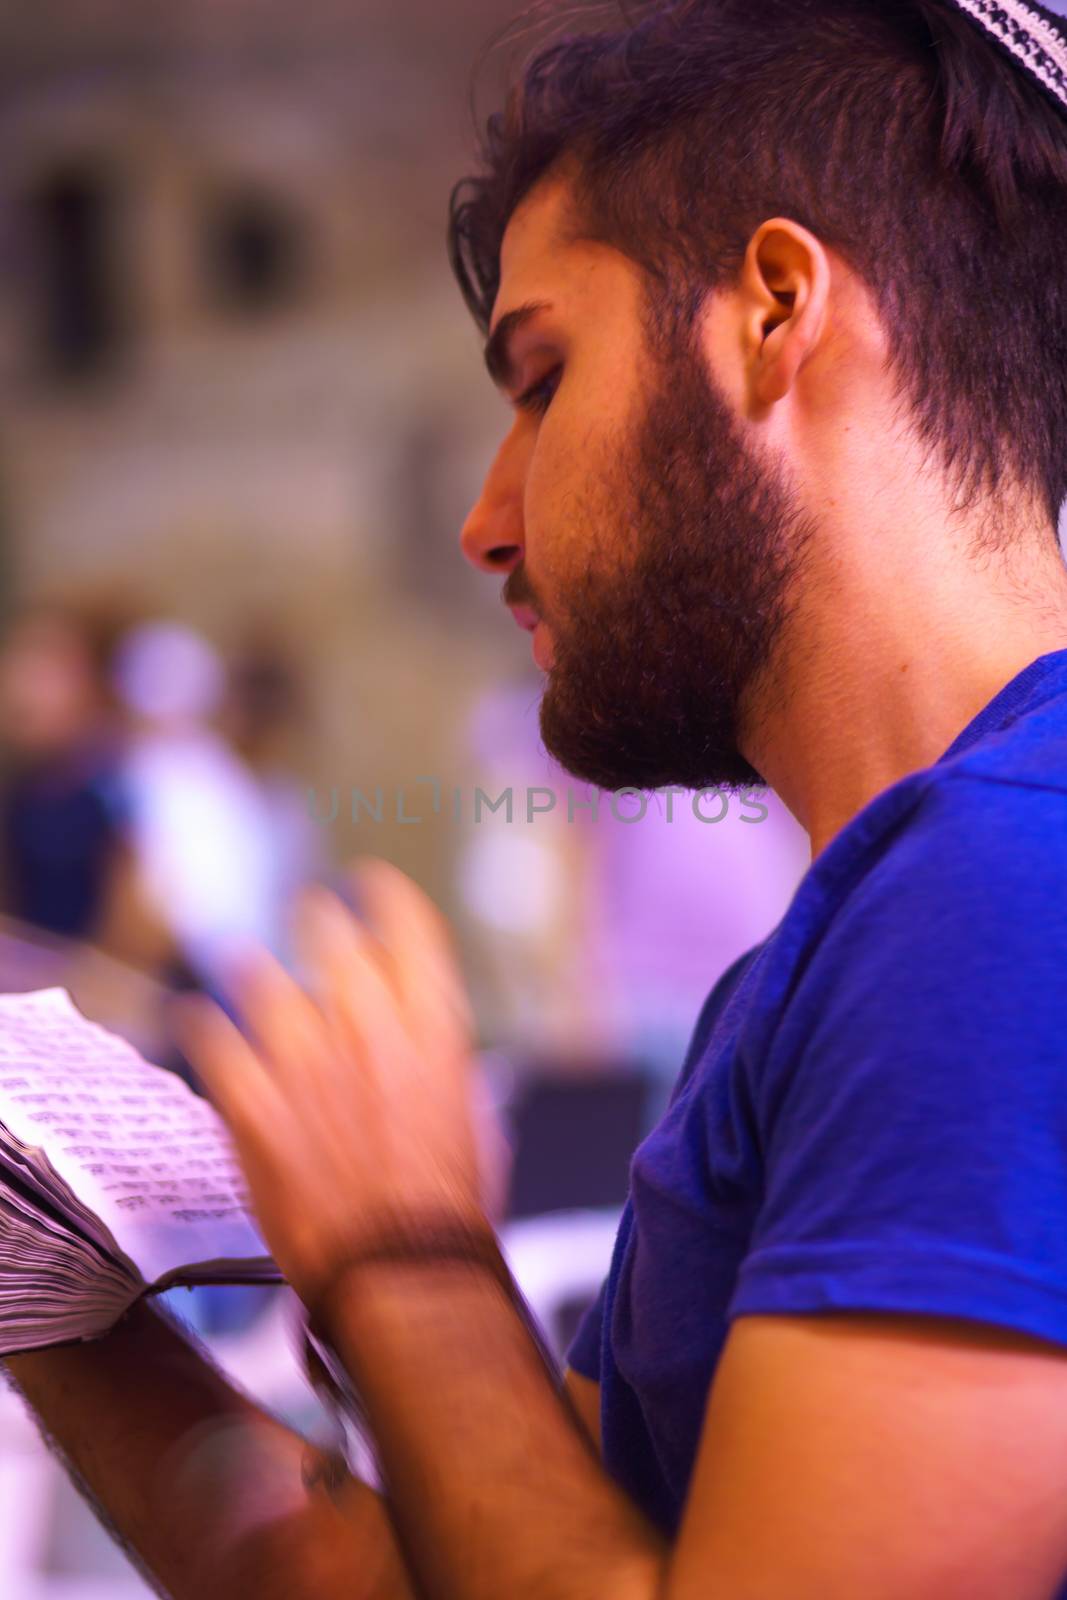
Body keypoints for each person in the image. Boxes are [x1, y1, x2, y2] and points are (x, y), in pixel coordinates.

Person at [7, 2, 1067, 1596]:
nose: (487, 523)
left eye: (543, 377)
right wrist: (48, 1291)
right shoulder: (830, 962)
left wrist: (408, 1264)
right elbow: (469, 1563)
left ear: (776, 311)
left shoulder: (1003, 885)